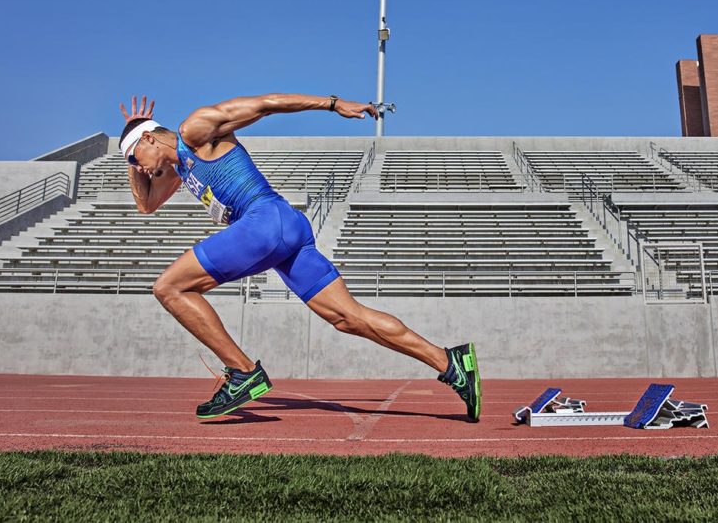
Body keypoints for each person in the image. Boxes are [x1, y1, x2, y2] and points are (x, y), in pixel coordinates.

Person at [118, 94, 481, 421]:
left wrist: (332, 104)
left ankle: (242, 372)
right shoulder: (178, 168)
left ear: (149, 137)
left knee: (169, 288)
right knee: (348, 318)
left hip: (265, 221)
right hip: (285, 230)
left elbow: (265, 104)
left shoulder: (193, 130)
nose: (140, 168)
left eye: (136, 158)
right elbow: (145, 204)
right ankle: (451, 364)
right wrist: (130, 150)